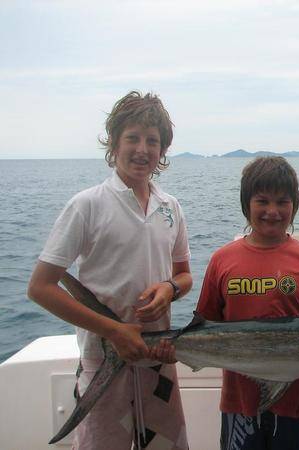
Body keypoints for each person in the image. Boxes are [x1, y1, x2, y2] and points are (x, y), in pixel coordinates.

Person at [27, 91, 192, 450]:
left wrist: (170, 289)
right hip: (101, 358)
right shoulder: (87, 205)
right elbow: (40, 287)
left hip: (157, 358)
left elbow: (184, 275)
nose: (142, 149)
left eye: (152, 141)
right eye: (132, 138)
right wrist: (114, 331)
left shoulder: (170, 207)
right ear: (114, 143)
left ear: (163, 150)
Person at [196, 156, 299, 450]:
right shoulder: (222, 260)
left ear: (294, 206)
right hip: (240, 401)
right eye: (262, 201)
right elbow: (202, 327)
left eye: (282, 202)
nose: (272, 211)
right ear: (246, 204)